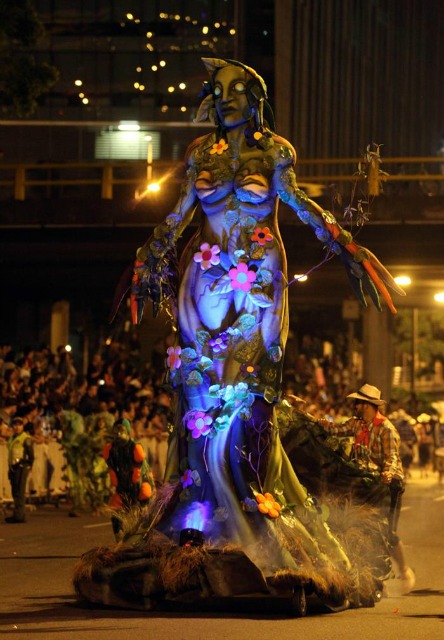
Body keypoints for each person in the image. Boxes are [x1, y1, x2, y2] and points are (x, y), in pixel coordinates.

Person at [94, 58, 404, 609]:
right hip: (202, 283)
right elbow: (180, 214)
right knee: (196, 402)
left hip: (259, 284)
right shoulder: (200, 156)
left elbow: (298, 203)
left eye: (238, 89)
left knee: (252, 401)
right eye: (218, 90)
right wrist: (149, 255)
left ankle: (258, 518)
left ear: (257, 97)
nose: (227, 98)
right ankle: (197, 520)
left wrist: (347, 245)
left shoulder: (275, 152)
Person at [318, 383, 416, 594]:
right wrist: (315, 423)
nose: (356, 406)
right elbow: (336, 429)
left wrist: (388, 473)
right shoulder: (356, 424)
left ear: (370, 405)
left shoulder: (387, 429)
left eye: (360, 403)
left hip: (387, 487)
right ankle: (371, 577)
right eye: (356, 403)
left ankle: (404, 569)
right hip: (363, 482)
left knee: (387, 532)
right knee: (358, 527)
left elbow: (392, 459)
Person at [103, 418, 155, 541]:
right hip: (123, 484)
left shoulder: (135, 447)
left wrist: (136, 484)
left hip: (141, 483)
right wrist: (118, 485)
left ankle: (146, 539)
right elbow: (112, 469)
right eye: (116, 430)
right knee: (116, 510)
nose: (118, 433)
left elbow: (139, 470)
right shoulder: (111, 449)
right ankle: (119, 539)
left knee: (144, 510)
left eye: (121, 430)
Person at [5, 416, 34, 523]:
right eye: (15, 425)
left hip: (21, 467)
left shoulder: (25, 438)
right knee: (15, 491)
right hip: (13, 467)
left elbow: (31, 455)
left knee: (19, 491)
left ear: (23, 426)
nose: (17, 427)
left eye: (19, 425)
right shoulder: (13, 438)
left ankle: (19, 515)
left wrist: (28, 465)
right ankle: (18, 513)